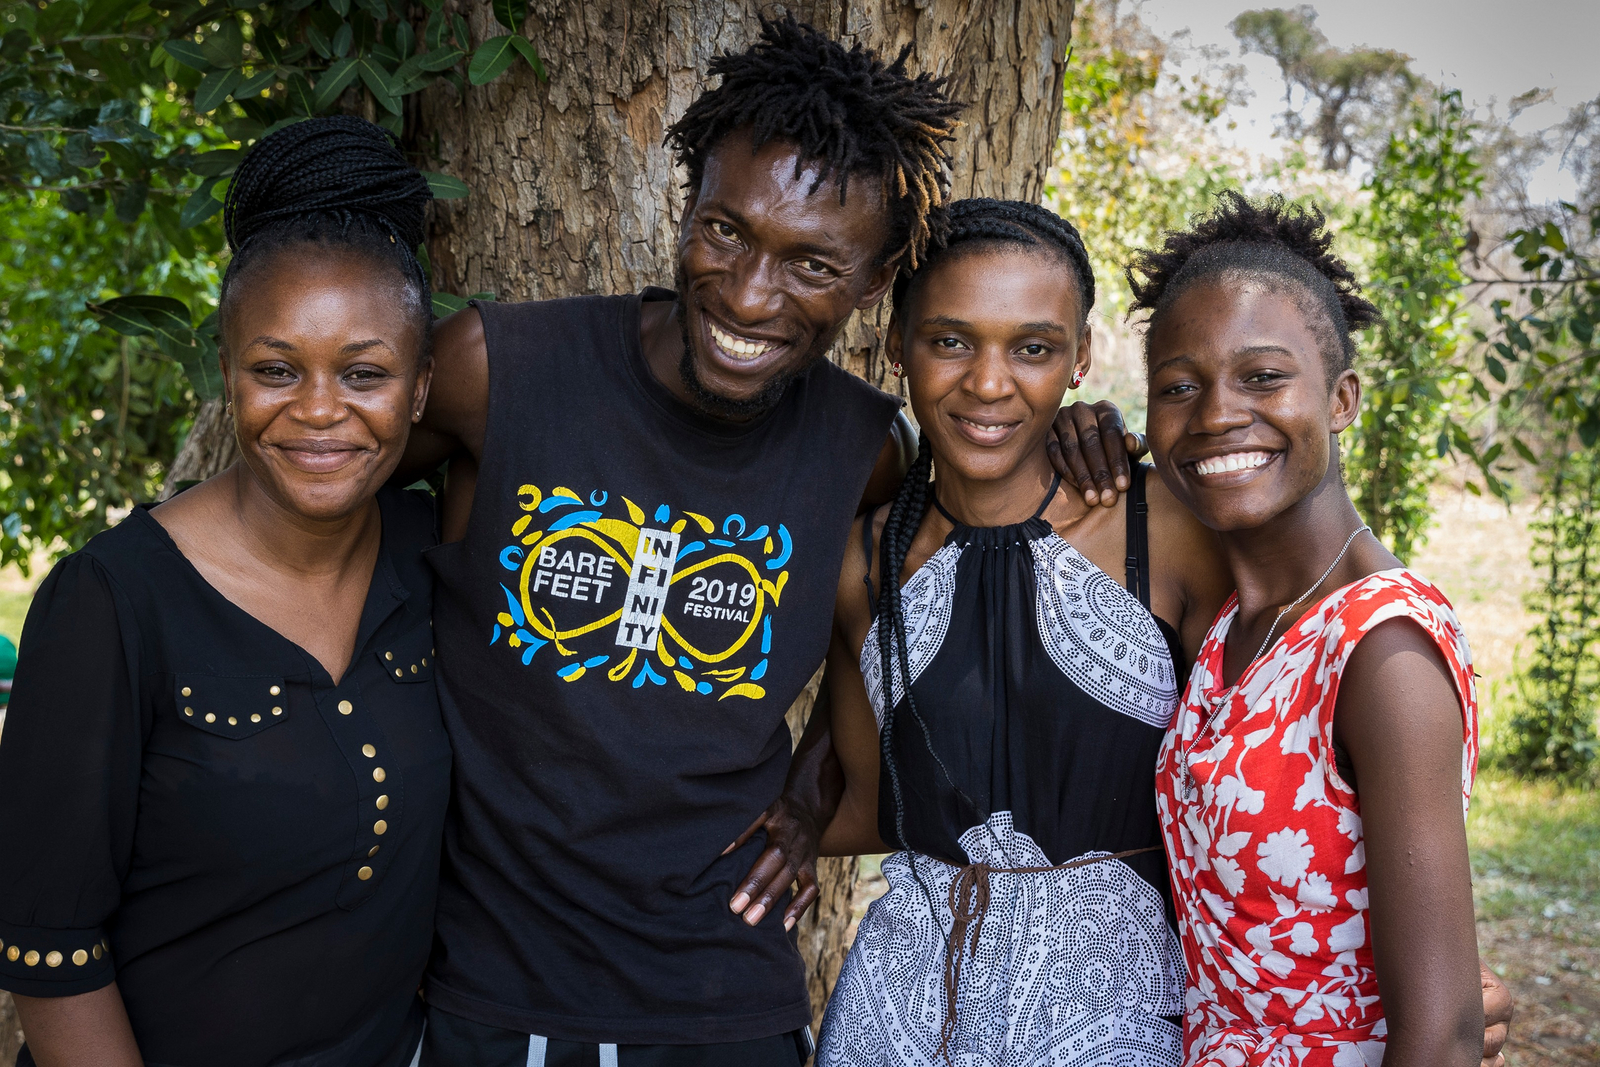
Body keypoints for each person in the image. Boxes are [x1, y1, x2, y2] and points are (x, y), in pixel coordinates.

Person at [401, 18, 1128, 1065]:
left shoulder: (864, 452)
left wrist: (807, 790)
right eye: (725, 231)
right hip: (479, 983)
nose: (748, 294)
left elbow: (900, 640)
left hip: (717, 999)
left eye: (812, 265)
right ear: (686, 201)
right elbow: (326, 503)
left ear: (874, 283)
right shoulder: (498, 372)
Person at [0, 116, 449, 1067]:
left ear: (420, 389)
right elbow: (53, 958)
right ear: (227, 372)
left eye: (364, 373)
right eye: (276, 369)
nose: (319, 410)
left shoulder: (433, 553)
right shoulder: (110, 604)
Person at [795, 198, 1232, 1065]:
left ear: (1079, 360)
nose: (988, 383)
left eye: (1032, 347)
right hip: (900, 1010)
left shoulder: (1165, 529)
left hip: (1117, 1009)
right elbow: (869, 805)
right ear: (898, 346)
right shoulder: (862, 562)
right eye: (950, 340)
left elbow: (1280, 766)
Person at [1137, 193, 1483, 1066]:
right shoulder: (1235, 625)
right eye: (1179, 386)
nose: (1216, 413)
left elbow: (1443, 1032)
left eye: (1262, 376)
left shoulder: (1382, 648)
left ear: (1341, 399)